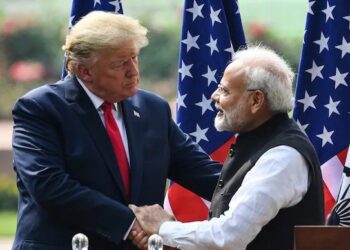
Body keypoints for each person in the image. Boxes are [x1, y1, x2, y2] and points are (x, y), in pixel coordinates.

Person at [11, 11, 221, 250]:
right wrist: (130, 224)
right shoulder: (40, 109)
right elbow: (48, 185)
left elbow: (200, 171)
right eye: (120, 64)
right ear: (85, 71)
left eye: (134, 58)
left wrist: (261, 188)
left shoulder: (153, 110)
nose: (133, 71)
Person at [129, 46, 325, 250]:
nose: (214, 96)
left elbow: (229, 236)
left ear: (256, 100)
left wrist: (164, 228)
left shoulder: (281, 157)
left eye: (224, 90)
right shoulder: (261, 142)